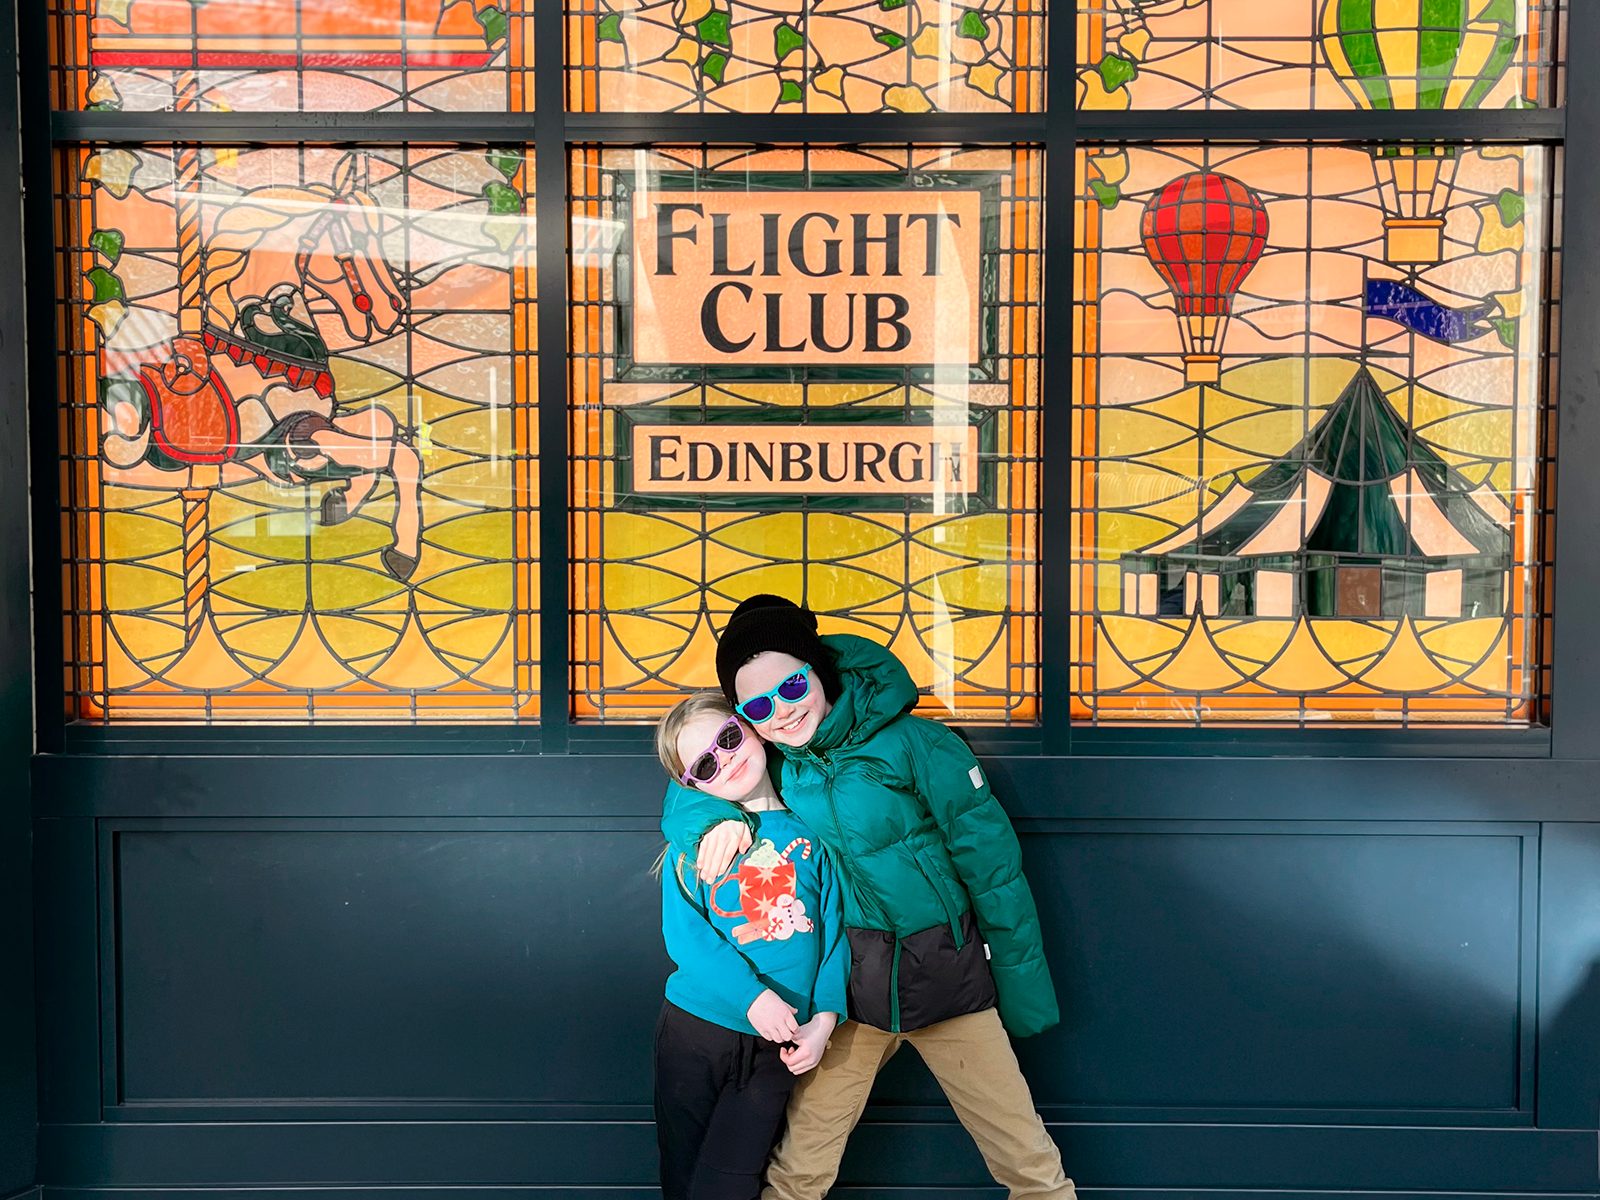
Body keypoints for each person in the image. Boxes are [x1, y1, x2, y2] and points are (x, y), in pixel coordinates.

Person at [663, 595, 1074, 1200]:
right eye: (758, 706)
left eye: (793, 685)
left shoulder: (915, 743)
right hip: (851, 995)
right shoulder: (774, 756)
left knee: (1028, 1161)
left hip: (947, 977)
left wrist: (1021, 987)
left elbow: (994, 871)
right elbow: (696, 778)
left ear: (818, 672)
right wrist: (708, 824)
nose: (781, 711)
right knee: (799, 1170)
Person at [653, 690, 850, 1200]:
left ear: (748, 725)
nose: (726, 759)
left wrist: (824, 1022)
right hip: (696, 1032)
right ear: (690, 785)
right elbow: (687, 939)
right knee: (685, 1175)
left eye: (727, 737)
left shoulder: (814, 834)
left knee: (732, 1184)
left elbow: (834, 937)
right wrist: (752, 997)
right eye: (705, 764)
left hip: (776, 1048)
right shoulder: (699, 842)